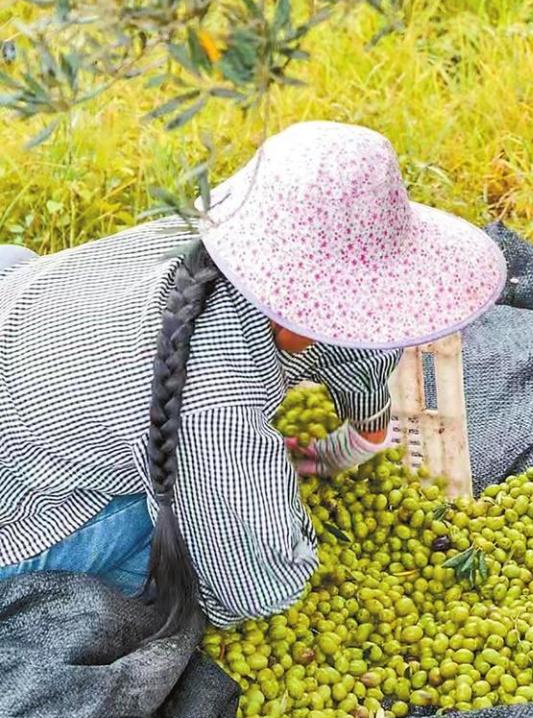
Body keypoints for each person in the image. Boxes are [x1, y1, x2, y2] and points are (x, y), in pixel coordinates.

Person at [0, 121, 506, 631]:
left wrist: (362, 435)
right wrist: (266, 505)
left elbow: (361, 343)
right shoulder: (216, 405)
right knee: (171, 547)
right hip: (14, 513)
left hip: (24, 337)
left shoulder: (187, 240)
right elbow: (252, 581)